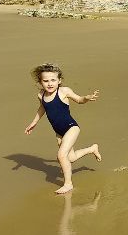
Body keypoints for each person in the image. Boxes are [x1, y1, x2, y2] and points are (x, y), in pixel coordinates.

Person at [24, 63, 102, 194]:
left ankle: (68, 184)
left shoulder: (64, 91)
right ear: (40, 82)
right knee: (69, 158)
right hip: (59, 132)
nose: (50, 83)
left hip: (71, 127)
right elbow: (43, 108)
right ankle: (92, 149)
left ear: (59, 80)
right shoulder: (41, 95)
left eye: (53, 80)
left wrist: (86, 98)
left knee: (61, 156)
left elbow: (79, 99)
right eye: (46, 81)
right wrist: (34, 122)